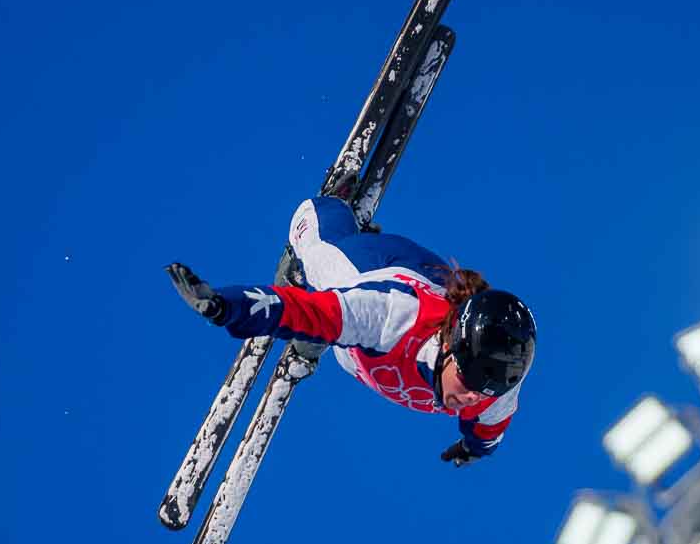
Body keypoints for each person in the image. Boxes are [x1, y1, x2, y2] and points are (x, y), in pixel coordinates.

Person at [166, 196, 536, 466]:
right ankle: (336, 213)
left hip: (427, 282)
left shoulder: (497, 385)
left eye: (480, 394)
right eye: (468, 382)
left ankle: (316, 338)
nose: (470, 399)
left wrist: (473, 447)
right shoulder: (389, 318)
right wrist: (226, 306)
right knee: (317, 258)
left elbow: (491, 425)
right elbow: (301, 310)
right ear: (449, 347)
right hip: (371, 268)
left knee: (337, 336)